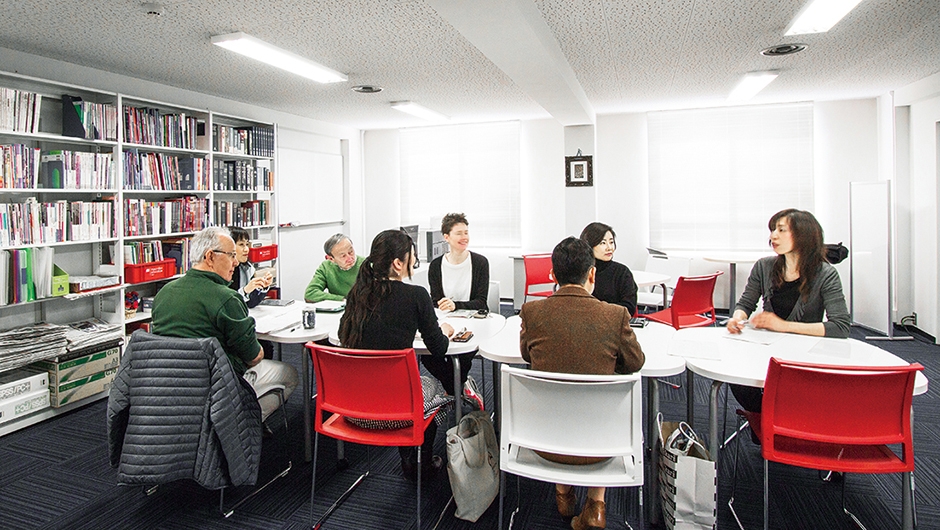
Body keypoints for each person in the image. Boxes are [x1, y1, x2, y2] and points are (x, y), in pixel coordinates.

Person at [519, 237, 645, 530]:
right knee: (599, 403)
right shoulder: (615, 315)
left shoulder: (532, 312)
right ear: (592, 274)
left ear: (553, 275)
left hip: (543, 440)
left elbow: (527, 355)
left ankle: (563, 493)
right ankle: (596, 505)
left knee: (560, 395)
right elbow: (635, 362)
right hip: (600, 446)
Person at [338, 229, 455, 480]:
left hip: (352, 408)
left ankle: (411, 457)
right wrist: (444, 330)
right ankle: (418, 462)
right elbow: (439, 348)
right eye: (412, 257)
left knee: (413, 385)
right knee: (436, 387)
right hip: (395, 413)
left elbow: (342, 335)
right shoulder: (416, 295)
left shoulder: (357, 293)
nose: (414, 262)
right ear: (398, 263)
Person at [152, 226, 298, 421]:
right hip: (216, 384)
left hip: (167, 385)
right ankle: (243, 425)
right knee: (289, 374)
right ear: (210, 257)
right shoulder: (226, 298)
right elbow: (254, 357)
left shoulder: (164, 293)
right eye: (231, 255)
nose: (236, 262)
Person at [726, 209, 850, 415]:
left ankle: (777, 421)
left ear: (803, 236)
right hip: (765, 347)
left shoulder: (825, 274)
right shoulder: (764, 266)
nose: (773, 235)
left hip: (803, 352)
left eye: (781, 230)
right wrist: (737, 318)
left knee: (790, 392)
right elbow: (746, 304)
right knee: (737, 375)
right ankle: (766, 421)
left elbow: (840, 326)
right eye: (773, 230)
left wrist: (783, 326)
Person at [427, 213, 488, 405]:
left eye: (466, 232)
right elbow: (435, 301)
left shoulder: (480, 263)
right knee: (428, 356)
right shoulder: (436, 265)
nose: (465, 237)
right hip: (445, 323)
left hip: (472, 323)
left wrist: (456, 305)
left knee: (462, 356)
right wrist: (443, 305)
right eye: (459, 233)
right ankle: (459, 389)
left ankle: (452, 392)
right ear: (446, 237)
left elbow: (481, 302)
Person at [579, 222, 639, 316]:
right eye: (603, 243)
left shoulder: (622, 272)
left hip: (615, 321)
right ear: (589, 245)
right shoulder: (580, 271)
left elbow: (629, 307)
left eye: (611, 242)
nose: (609, 248)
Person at [304, 234, 364, 302]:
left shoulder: (366, 264)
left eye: (351, 252)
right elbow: (310, 293)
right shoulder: (326, 267)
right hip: (340, 306)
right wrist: (341, 300)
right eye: (343, 256)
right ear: (331, 259)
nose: (350, 259)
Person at [228, 226, 273, 309]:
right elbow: (225, 304)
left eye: (247, 244)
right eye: (241, 245)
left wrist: (262, 286)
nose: (246, 249)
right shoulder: (220, 271)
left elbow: (251, 303)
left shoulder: (247, 268)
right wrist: (244, 291)